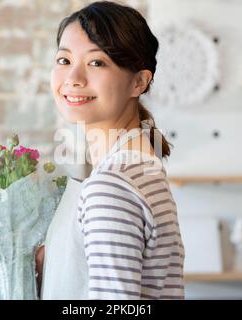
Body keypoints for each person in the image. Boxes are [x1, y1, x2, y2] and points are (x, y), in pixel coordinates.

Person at [37, 1, 185, 300]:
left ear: (139, 82)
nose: (73, 78)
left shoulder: (111, 187)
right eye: (64, 60)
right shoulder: (138, 167)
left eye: (96, 63)